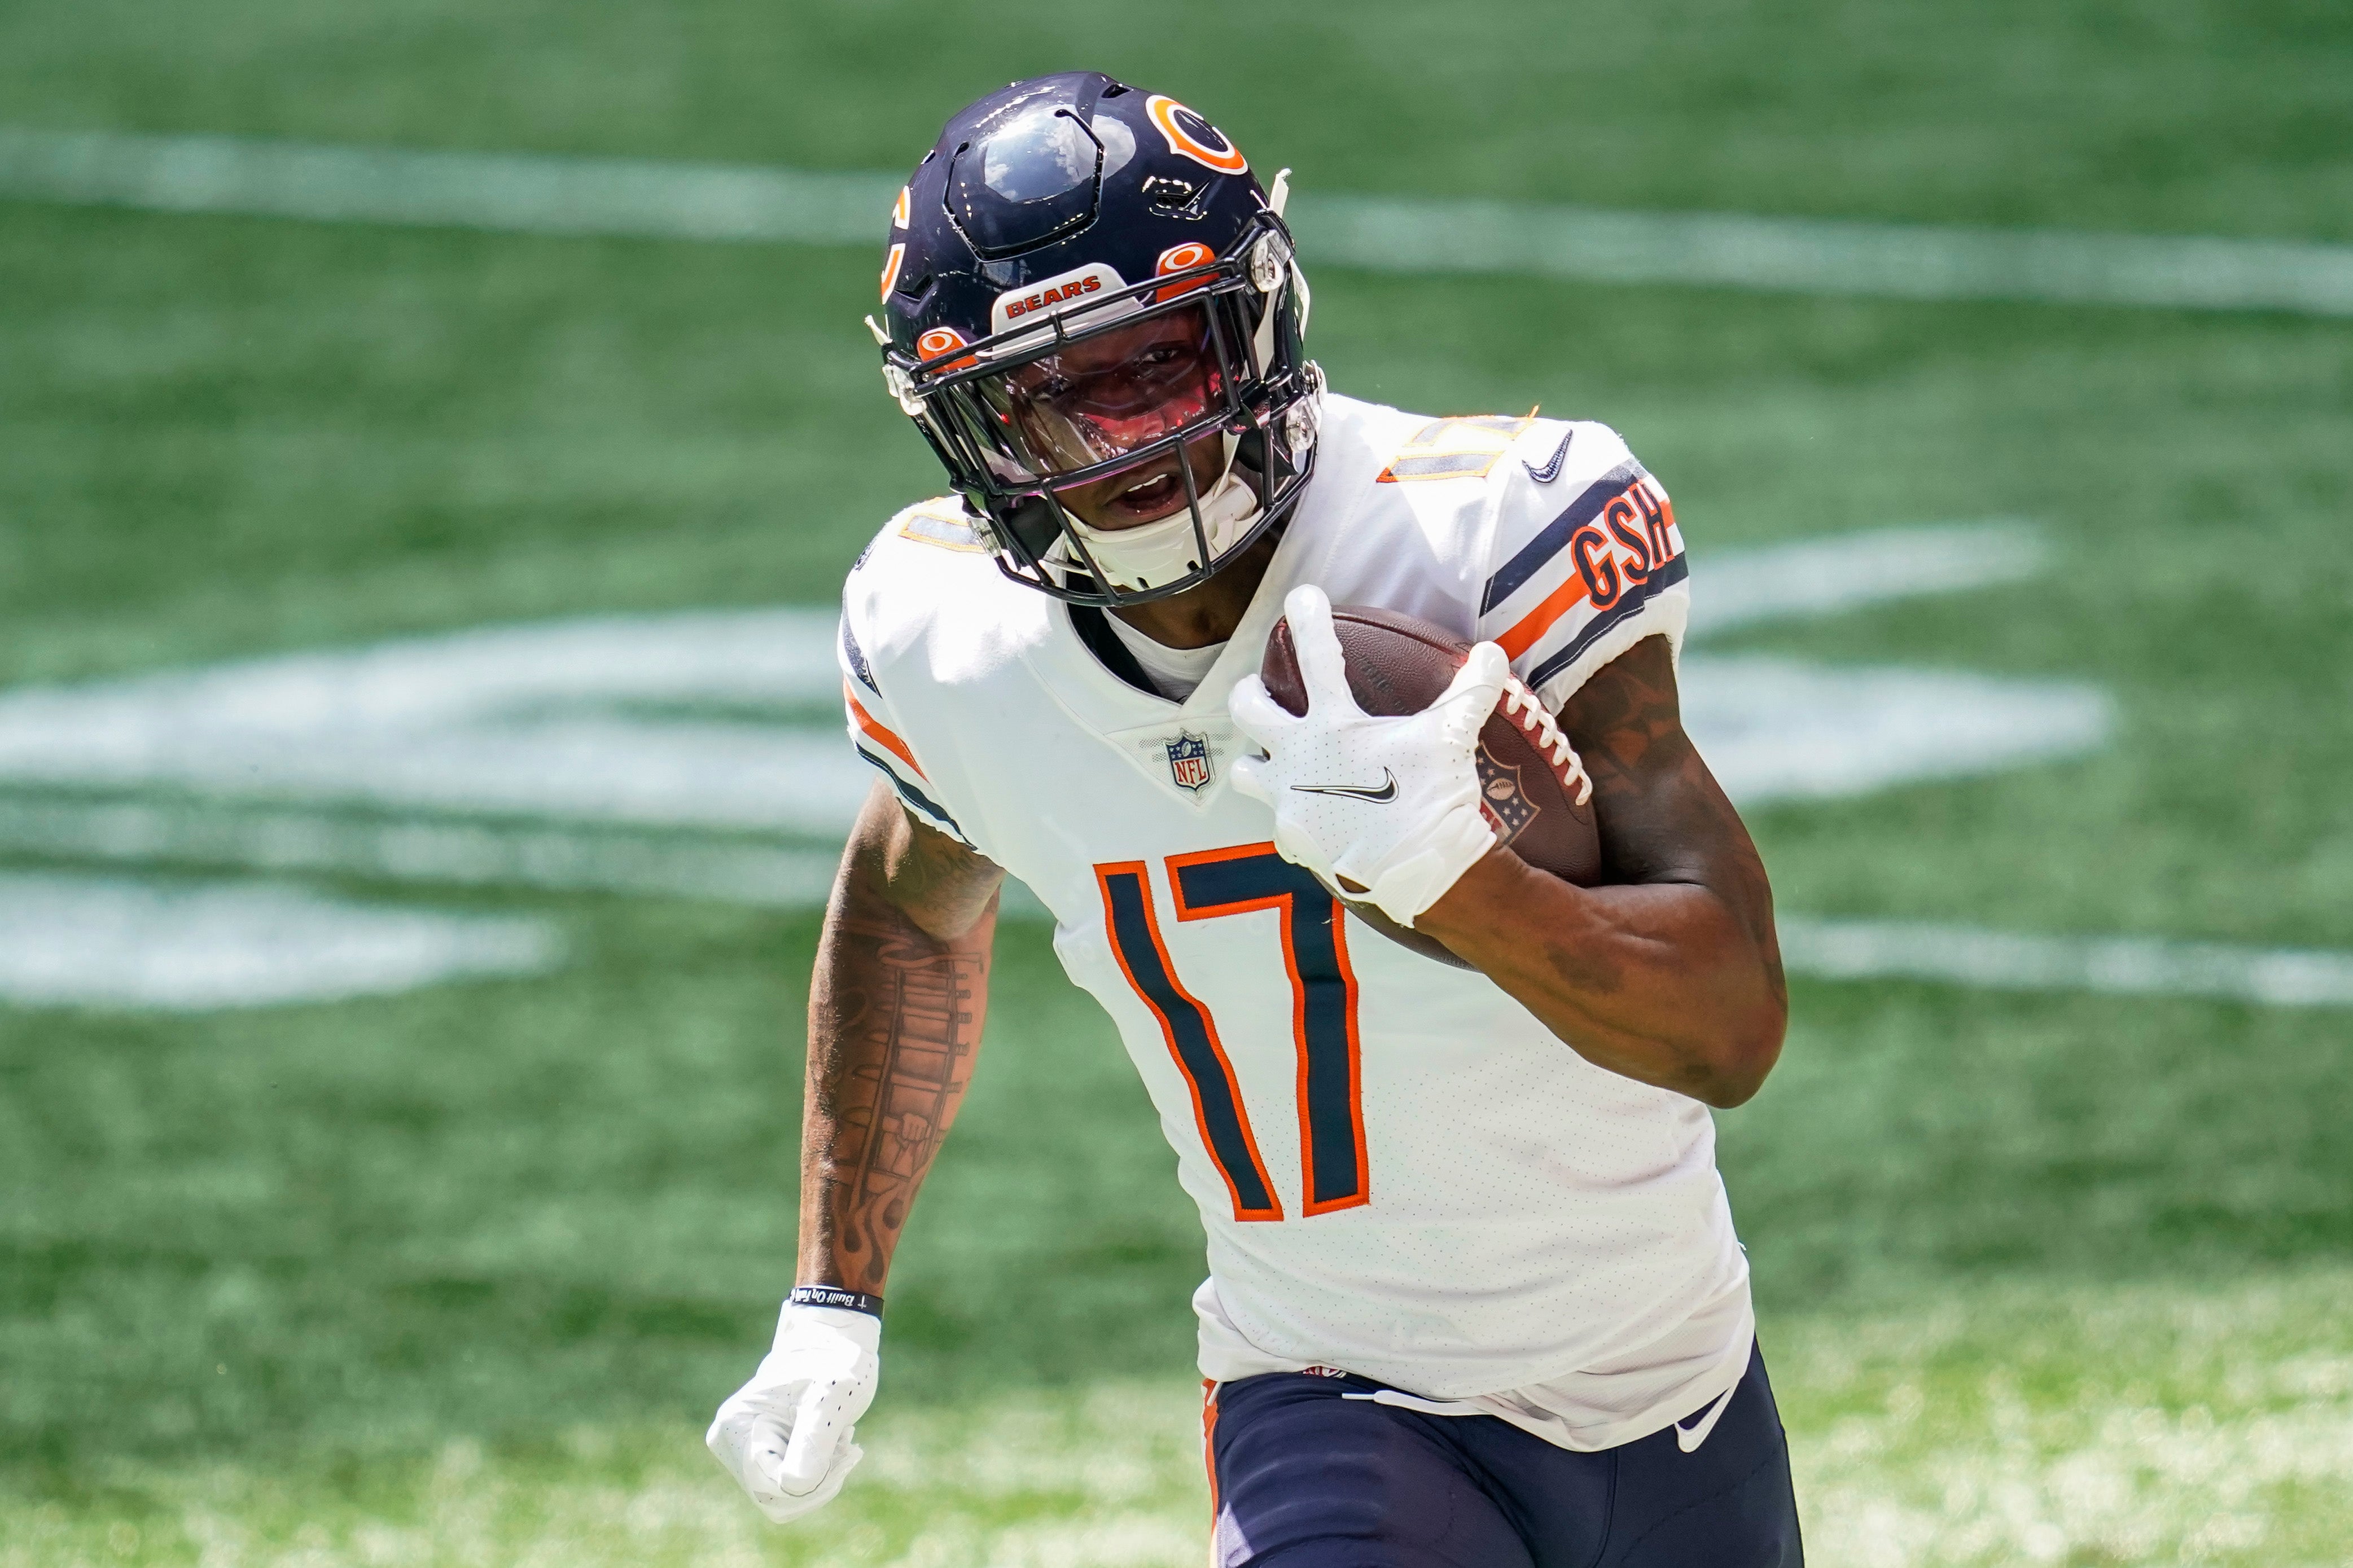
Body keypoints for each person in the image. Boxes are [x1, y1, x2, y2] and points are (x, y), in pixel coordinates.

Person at [707, 71, 1800, 1565]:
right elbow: (908, 896)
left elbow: (1727, 1026)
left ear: (1255, 316)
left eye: (1155, 358)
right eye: (1050, 392)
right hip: (1327, 1393)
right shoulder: (941, 634)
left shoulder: (1482, 534)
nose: (1123, 438)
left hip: (1675, 1376)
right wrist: (832, 1293)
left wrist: (1464, 885)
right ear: (966, 422)